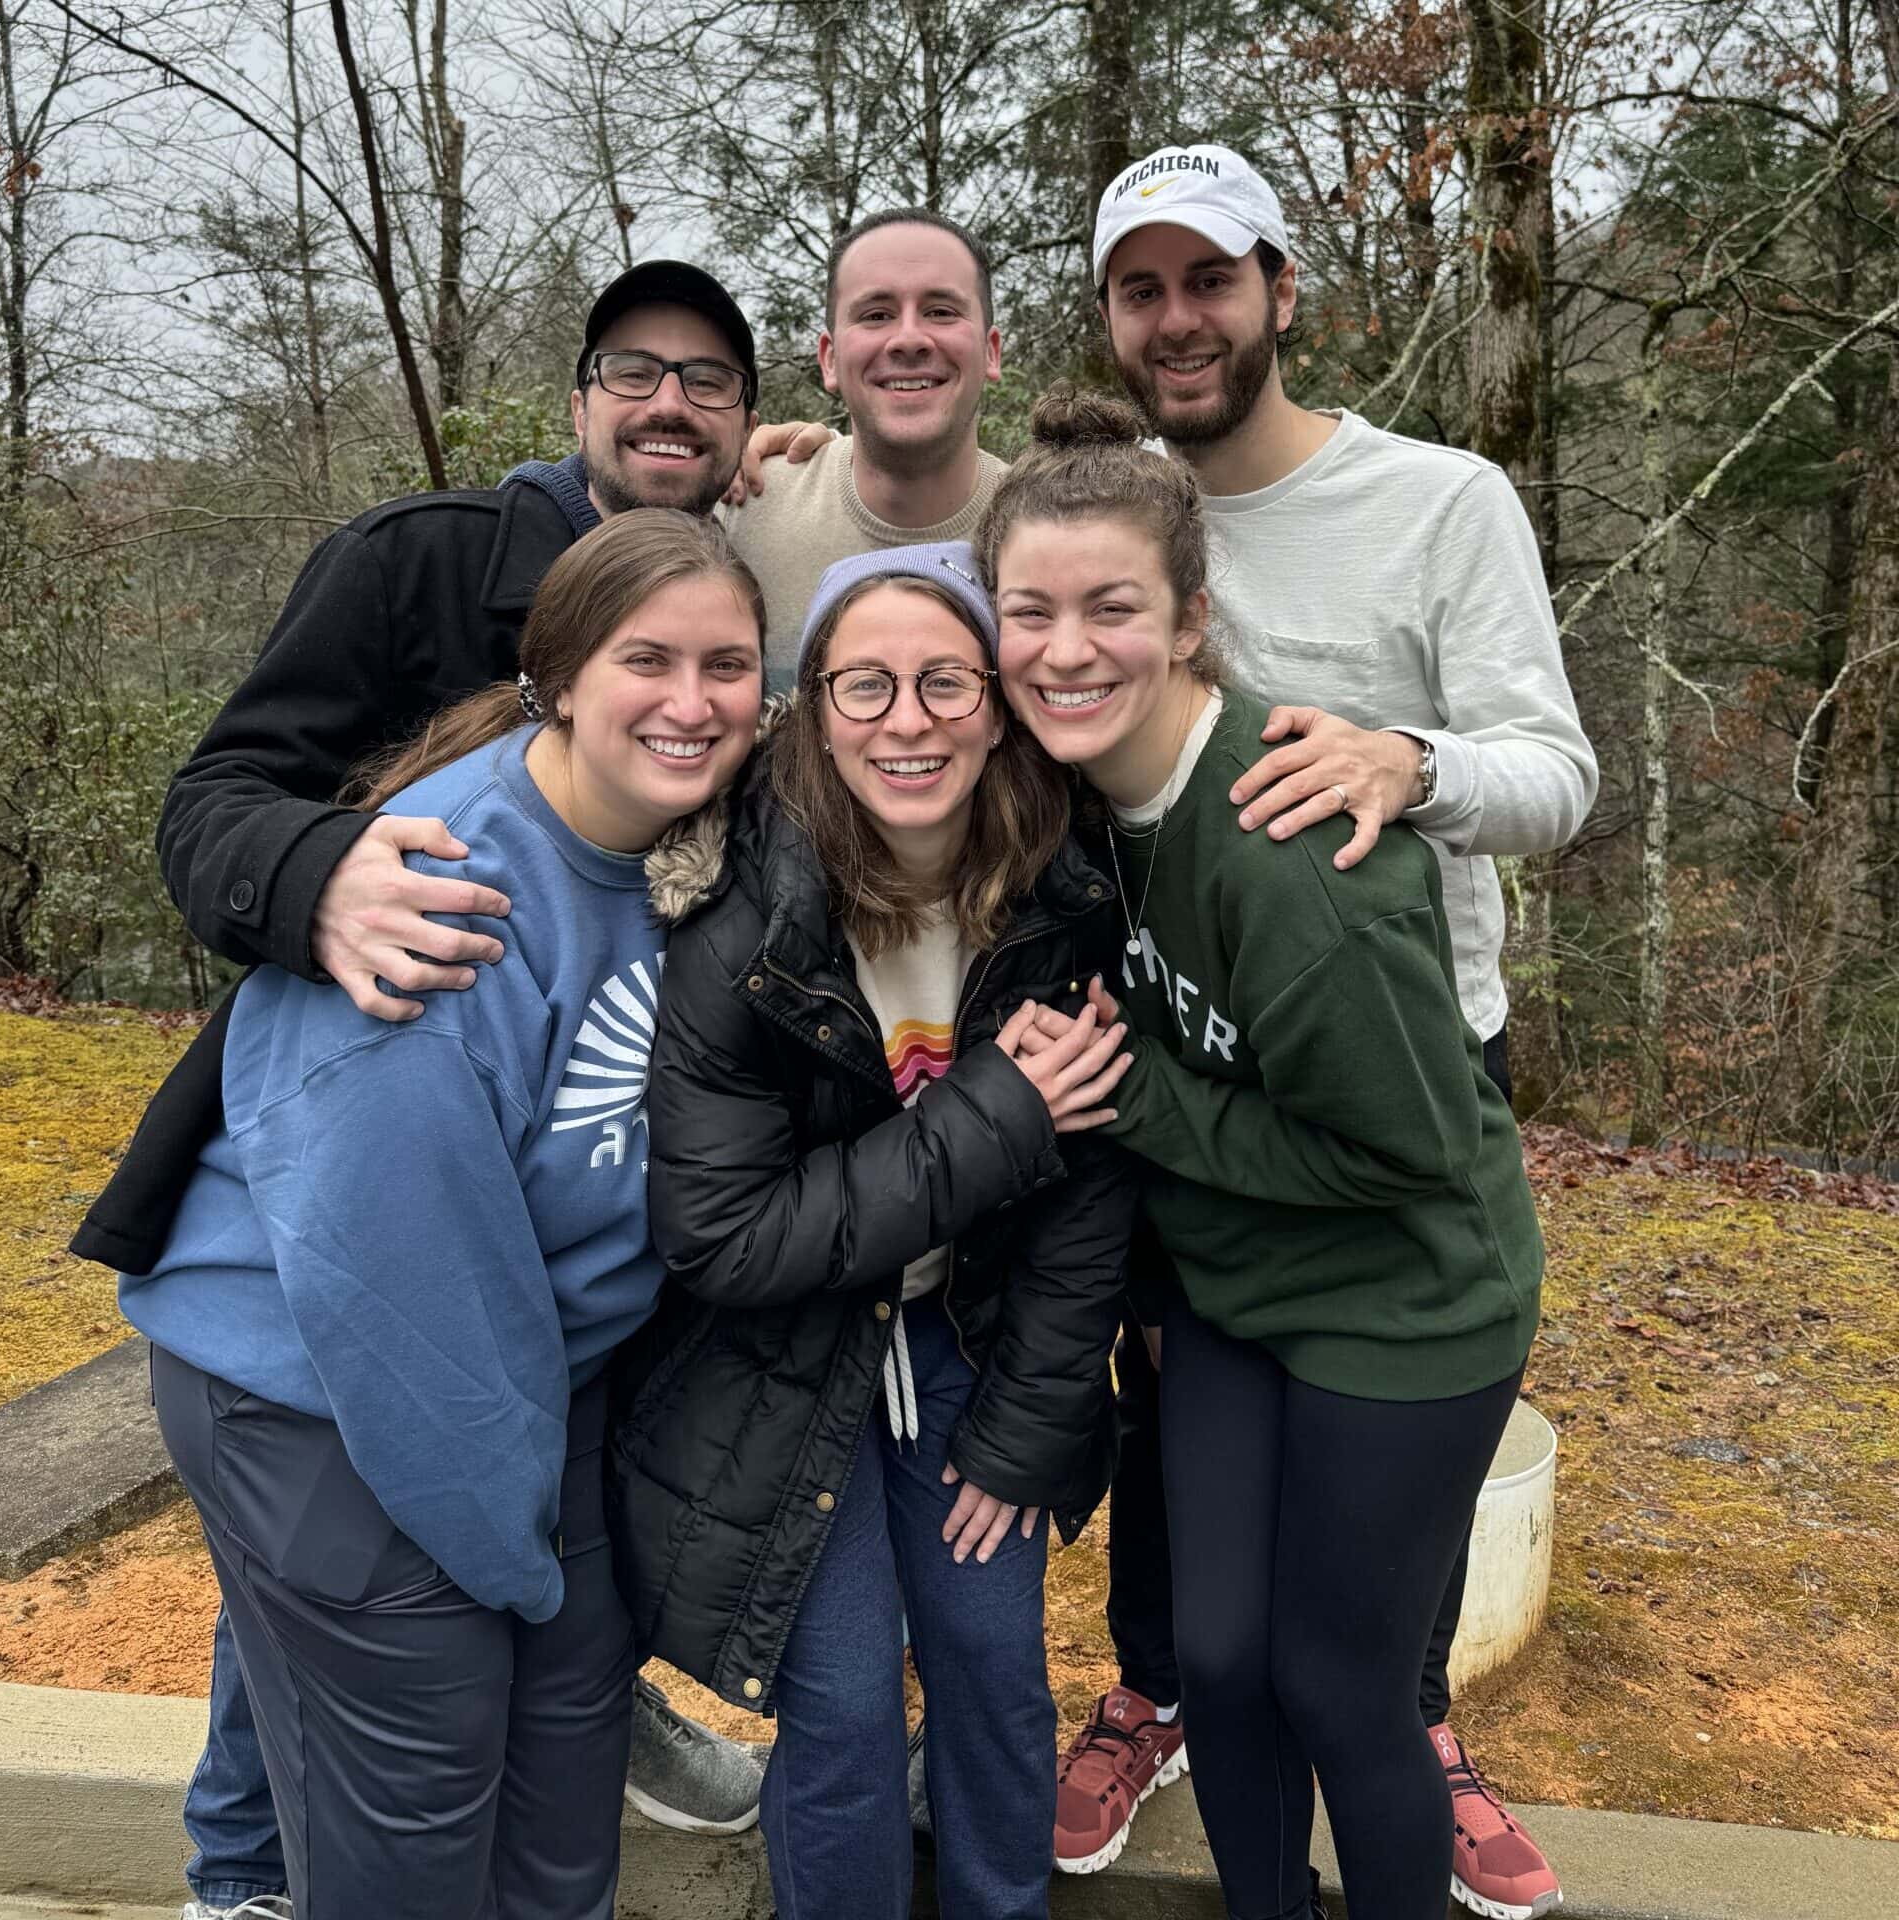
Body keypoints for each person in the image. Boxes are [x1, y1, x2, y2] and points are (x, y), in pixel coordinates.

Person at [70, 261, 775, 1919]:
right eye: (647, 661)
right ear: (558, 671)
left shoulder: (688, 848)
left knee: (553, 1784)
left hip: (527, 1380)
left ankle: (262, 1854)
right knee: (425, 1769)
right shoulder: (436, 893)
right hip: (335, 1378)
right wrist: (312, 874)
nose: (691, 701)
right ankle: (249, 1877)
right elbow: (404, 1285)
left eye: (729, 667)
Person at [1033, 143, 1595, 1918]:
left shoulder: (1437, 501)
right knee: (1205, 1558)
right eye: (1141, 289)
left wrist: (1408, 762)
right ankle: (1171, 1702)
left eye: (1212, 279)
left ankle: (1404, 1737)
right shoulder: (1110, 514)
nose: (1177, 319)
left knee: (1353, 1632)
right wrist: (784, 448)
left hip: (1389, 1059)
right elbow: (979, 558)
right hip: (1187, 1073)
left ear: (1283, 289)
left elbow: (1558, 774)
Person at [607, 543, 1138, 1920]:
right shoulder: (747, 921)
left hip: (974, 1338)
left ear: (998, 706)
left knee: (991, 1668)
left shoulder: (1063, 893)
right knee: (839, 1703)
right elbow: (725, 1237)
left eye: (946, 682)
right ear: (815, 710)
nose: (910, 721)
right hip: (789, 1359)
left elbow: (1087, 1202)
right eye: (867, 686)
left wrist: (1028, 1428)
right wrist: (999, 1110)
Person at [717, 207, 1007, 664]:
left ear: (991, 352)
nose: (908, 339)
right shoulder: (739, 511)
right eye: (875, 315)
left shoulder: (1046, 525)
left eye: (941, 311)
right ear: (829, 359)